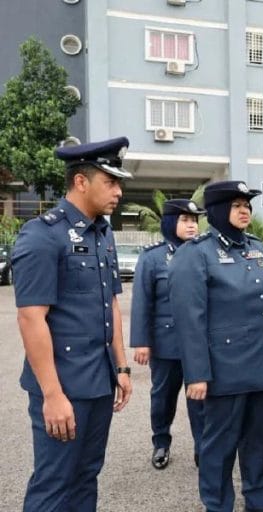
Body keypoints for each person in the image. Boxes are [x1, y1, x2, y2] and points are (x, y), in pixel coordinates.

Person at [11, 137, 134, 512]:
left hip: (99, 380)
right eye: (110, 182)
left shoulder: (102, 232)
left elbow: (110, 301)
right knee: (54, 483)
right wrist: (51, 395)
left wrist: (122, 366)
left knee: (86, 475)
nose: (119, 190)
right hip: (63, 384)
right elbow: (31, 317)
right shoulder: (42, 235)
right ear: (81, 182)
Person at [168, 181, 263, 512]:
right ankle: (217, 506)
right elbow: (189, 321)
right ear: (219, 210)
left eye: (247, 204)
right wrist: (196, 375)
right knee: (218, 451)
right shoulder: (195, 254)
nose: (245, 210)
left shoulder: (258, 248)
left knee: (261, 447)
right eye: (237, 205)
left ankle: (260, 506)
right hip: (224, 374)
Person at [130, 199, 206, 470]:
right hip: (166, 344)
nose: (192, 226)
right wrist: (141, 341)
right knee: (163, 397)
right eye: (186, 220)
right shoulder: (153, 257)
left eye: (195, 220)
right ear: (170, 223)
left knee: (201, 398)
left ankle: (203, 447)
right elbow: (142, 302)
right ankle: (161, 441)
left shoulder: (205, 252)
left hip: (200, 344)